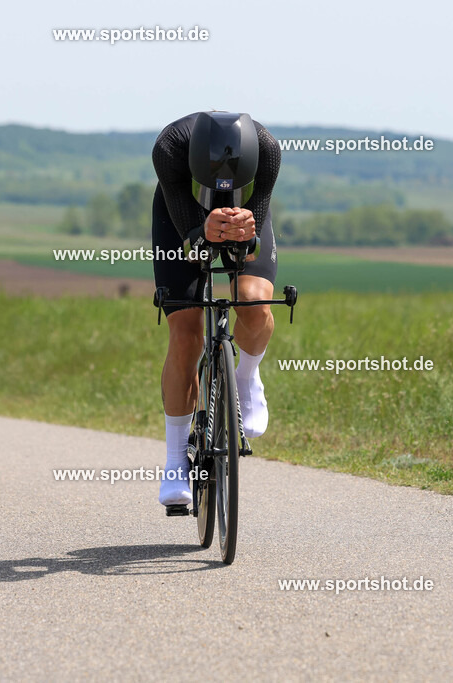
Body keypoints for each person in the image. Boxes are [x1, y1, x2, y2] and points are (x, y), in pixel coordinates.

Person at [150, 111, 281, 507]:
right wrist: (199, 230)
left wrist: (248, 226)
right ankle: (175, 461)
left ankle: (246, 377)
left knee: (255, 302)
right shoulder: (169, 147)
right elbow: (186, 223)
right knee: (186, 333)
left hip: (242, 212)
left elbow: (257, 217)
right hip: (179, 216)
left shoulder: (268, 148)